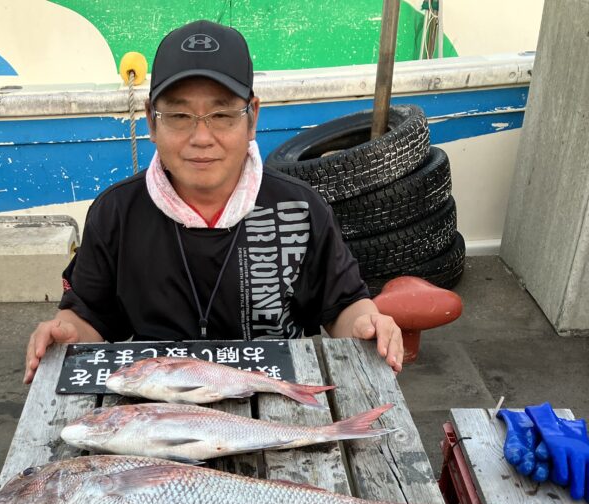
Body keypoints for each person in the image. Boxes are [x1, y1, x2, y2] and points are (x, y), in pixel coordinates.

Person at [24, 20, 403, 384]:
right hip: (157, 400)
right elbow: (89, 315)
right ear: (152, 123)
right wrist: (65, 333)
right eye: (179, 115)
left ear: (252, 118)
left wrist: (368, 323)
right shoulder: (115, 212)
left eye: (222, 114)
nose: (201, 137)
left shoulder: (302, 209)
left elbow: (344, 306)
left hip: (276, 393)